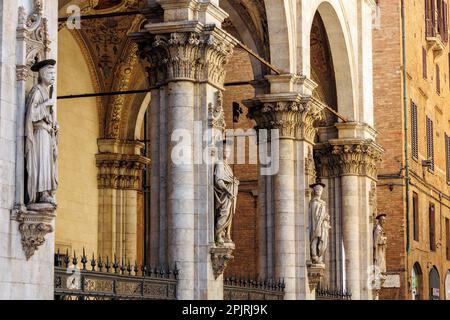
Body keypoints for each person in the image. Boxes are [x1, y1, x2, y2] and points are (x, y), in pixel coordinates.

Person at [25, 59, 58, 205]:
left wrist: (55, 125)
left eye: (54, 73)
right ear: (43, 74)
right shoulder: (37, 91)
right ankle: (42, 193)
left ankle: (46, 192)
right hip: (39, 134)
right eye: (50, 73)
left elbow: (48, 117)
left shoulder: (47, 91)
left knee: (48, 163)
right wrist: (46, 105)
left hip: (48, 133)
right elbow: (31, 115)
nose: (53, 76)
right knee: (42, 163)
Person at [214, 141, 239, 245]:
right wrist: (227, 190)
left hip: (230, 196)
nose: (227, 152)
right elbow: (218, 180)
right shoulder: (220, 164)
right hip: (224, 195)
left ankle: (224, 234)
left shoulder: (227, 166)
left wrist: (235, 182)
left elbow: (229, 179)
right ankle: (218, 234)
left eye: (228, 150)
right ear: (220, 151)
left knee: (228, 214)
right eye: (225, 150)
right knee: (224, 213)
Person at [309, 182, 330, 264]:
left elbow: (321, 214)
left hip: (321, 225)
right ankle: (314, 255)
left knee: (321, 239)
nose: (319, 191)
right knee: (315, 238)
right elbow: (315, 215)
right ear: (314, 191)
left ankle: (319, 255)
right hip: (315, 224)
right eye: (317, 190)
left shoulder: (322, 203)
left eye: (320, 190)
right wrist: (322, 217)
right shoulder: (314, 202)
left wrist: (326, 218)